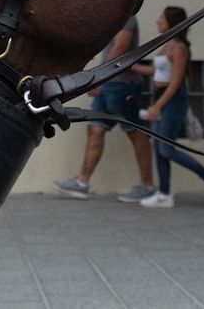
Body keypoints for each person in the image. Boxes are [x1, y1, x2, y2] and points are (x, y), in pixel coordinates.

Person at [50, 13, 157, 203]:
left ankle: (147, 186)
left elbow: (121, 46)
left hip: (122, 86)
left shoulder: (127, 17)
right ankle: (81, 183)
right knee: (95, 129)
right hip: (109, 86)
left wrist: (102, 78)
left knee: (135, 132)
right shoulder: (116, 16)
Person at [133, 6, 204, 209]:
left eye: (161, 18)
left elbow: (175, 81)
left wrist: (158, 106)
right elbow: (157, 70)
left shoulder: (179, 48)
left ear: (171, 22)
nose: (157, 21)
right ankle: (164, 194)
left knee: (166, 147)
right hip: (161, 98)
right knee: (158, 146)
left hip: (172, 101)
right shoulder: (166, 45)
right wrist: (130, 66)